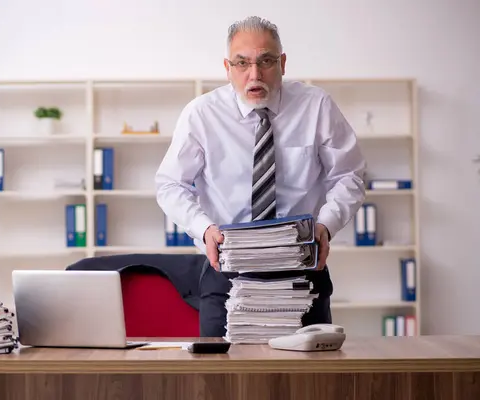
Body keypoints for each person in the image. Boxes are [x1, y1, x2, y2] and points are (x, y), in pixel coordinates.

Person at [154, 16, 366, 337]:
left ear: (282, 62)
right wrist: (204, 228)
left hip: (301, 267)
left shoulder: (316, 105)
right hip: (227, 269)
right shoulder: (201, 114)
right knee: (222, 382)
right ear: (227, 67)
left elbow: (349, 175)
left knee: (310, 383)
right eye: (242, 63)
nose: (255, 75)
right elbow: (170, 184)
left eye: (265, 61)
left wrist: (326, 225)